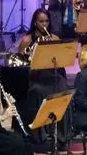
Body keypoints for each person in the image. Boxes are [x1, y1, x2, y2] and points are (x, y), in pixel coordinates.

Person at [16, 8, 67, 146]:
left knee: (63, 88)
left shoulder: (55, 38)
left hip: (52, 75)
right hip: (35, 77)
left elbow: (62, 61)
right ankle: (41, 136)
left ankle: (61, 135)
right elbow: (19, 63)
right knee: (38, 91)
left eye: (46, 21)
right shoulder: (27, 40)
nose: (44, 24)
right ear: (34, 23)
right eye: (41, 21)